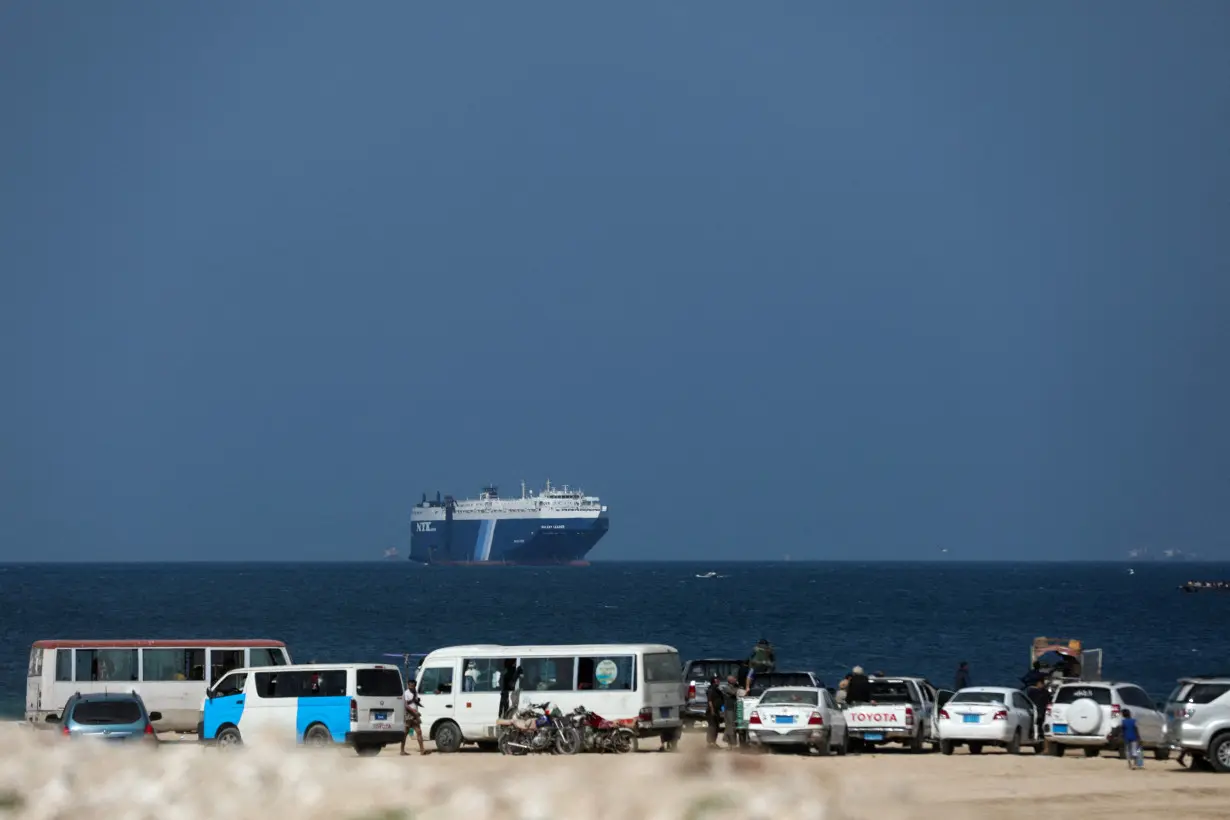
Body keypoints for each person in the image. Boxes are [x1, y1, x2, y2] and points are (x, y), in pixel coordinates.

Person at [401, 679, 427, 756]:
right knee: (405, 733)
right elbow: (406, 705)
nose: (412, 687)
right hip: (409, 714)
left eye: (413, 685)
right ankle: (402, 750)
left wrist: (419, 703)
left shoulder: (415, 692)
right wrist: (414, 712)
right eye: (410, 685)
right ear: (408, 685)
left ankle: (422, 750)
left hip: (415, 714)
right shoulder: (406, 693)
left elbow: (414, 702)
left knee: (419, 731)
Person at [720, 675, 739, 748]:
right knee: (730, 726)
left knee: (733, 726)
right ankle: (731, 743)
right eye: (734, 679)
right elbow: (734, 693)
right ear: (730, 680)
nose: (735, 680)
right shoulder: (726, 687)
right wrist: (739, 689)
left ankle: (730, 742)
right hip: (728, 709)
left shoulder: (735, 686)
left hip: (734, 708)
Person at [705, 675, 723, 748]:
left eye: (718, 679)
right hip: (711, 711)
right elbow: (710, 701)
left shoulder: (717, 690)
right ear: (713, 681)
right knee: (712, 727)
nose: (718, 681)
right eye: (716, 680)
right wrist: (712, 710)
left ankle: (714, 742)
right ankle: (710, 743)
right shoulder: (711, 689)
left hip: (717, 710)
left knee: (716, 727)